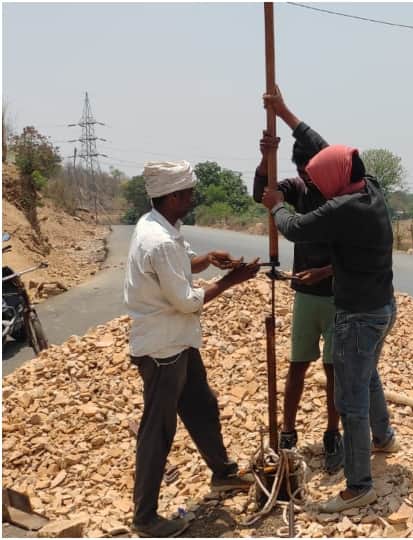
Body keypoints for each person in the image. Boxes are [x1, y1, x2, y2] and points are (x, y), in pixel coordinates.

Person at [260, 106, 398, 513]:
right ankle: (384, 437)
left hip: (359, 315)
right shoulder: (368, 187)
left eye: (322, 182)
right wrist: (285, 114)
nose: (320, 188)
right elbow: (328, 151)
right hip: (383, 306)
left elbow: (294, 229)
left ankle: (359, 485)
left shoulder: (342, 210)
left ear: (336, 179)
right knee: (367, 374)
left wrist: (276, 205)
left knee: (350, 399)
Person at [124, 160, 260, 537]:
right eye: (186, 194)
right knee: (158, 430)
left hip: (178, 342)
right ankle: (145, 517)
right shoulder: (160, 240)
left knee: (202, 404)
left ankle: (222, 473)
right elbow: (186, 301)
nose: (191, 198)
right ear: (169, 197)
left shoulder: (159, 225)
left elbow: (184, 266)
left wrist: (209, 259)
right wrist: (232, 280)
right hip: (163, 347)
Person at [252, 90, 343, 473]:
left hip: (337, 295)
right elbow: (263, 194)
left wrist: (325, 271)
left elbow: (358, 252)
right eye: (305, 172)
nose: (310, 178)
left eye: (314, 171)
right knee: (297, 366)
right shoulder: (298, 188)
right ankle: (287, 431)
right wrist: (265, 158)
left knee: (334, 370)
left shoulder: (342, 194)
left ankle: (332, 434)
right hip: (306, 295)